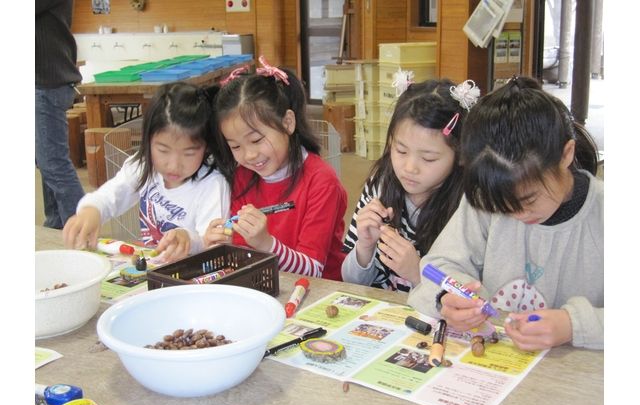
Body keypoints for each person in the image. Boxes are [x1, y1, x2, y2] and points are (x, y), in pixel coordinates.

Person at [407, 76, 603, 351]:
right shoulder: (485, 200)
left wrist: (574, 325)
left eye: (528, 199)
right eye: (500, 205)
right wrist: (447, 298)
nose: (516, 215)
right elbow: (437, 267)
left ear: (566, 154)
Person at [204, 57, 347, 280]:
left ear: (288, 123)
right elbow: (244, 255)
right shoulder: (242, 176)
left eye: (257, 139)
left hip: (317, 292)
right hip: (263, 285)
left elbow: (313, 269)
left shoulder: (321, 181)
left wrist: (265, 243)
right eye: (235, 146)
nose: (249, 155)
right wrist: (223, 244)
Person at [63, 82, 231, 262]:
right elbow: (110, 196)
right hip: (152, 268)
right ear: (147, 141)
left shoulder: (212, 184)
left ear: (206, 148)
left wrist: (188, 239)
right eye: (163, 150)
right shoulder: (144, 166)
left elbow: (212, 243)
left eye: (189, 153)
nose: (174, 165)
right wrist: (92, 210)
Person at [341, 78, 478, 292]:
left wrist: (417, 273)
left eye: (429, 158)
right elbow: (352, 283)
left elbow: (467, 296)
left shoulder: (468, 207)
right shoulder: (380, 185)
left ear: (460, 155)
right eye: (401, 151)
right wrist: (364, 248)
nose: (410, 167)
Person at [36, 0, 85, 229]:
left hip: (48, 82)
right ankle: (56, 226)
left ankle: (82, 234)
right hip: (45, 81)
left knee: (54, 163)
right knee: (46, 162)